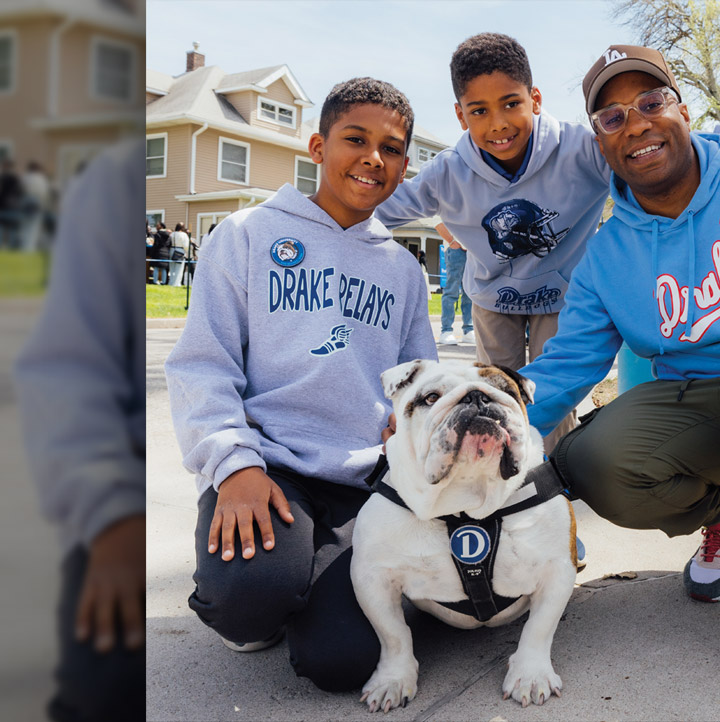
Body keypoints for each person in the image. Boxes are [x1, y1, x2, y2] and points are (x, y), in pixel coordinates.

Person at [518, 45, 720, 682]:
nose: (637, 124)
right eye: (612, 117)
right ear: (601, 143)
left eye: (651, 102)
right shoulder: (606, 253)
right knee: (590, 459)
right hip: (700, 406)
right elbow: (563, 368)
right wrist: (478, 416)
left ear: (683, 109)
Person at [375, 32, 720, 455]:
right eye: (479, 111)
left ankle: (550, 480)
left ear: (536, 100)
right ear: (460, 115)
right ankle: (491, 468)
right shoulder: (447, 173)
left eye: (511, 104)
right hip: (494, 297)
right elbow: (381, 208)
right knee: (501, 387)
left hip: (563, 293)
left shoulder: (582, 148)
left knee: (551, 387)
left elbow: (660, 142)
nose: (499, 124)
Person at [164, 77, 436, 693]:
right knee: (247, 602)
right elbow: (201, 365)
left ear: (403, 167)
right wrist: (232, 466)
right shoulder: (246, 235)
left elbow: (418, 382)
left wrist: (409, 422)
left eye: (391, 149)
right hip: (271, 467)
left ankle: (324, 565)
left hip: (366, 482)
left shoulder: (402, 271)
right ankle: (277, 576)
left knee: (342, 662)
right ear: (318, 145)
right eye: (355, 140)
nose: (373, 158)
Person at [15, 140, 146, 721]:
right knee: (103, 685)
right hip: (121, 497)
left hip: (345, 489)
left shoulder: (392, 264)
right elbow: (68, 369)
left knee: (339, 653)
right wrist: (110, 515)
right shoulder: (116, 182)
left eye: (393, 149)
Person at [437, 225, 474, 345]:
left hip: (471, 250)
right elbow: (437, 222)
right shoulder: (448, 205)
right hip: (455, 249)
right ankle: (446, 331)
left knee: (469, 292)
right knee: (451, 291)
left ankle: (468, 330)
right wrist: (452, 241)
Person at [0, 158, 24, 249]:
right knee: (12, 229)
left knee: (2, 228)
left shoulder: (3, 178)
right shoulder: (16, 178)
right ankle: (12, 247)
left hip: (3, 206)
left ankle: (3, 246)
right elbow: (20, 192)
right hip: (14, 206)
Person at [167, 222, 190, 287]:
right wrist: (186, 252)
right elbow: (186, 245)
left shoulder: (172, 234)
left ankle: (171, 282)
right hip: (180, 251)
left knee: (172, 268)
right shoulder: (184, 235)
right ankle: (177, 283)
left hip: (172, 250)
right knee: (179, 269)